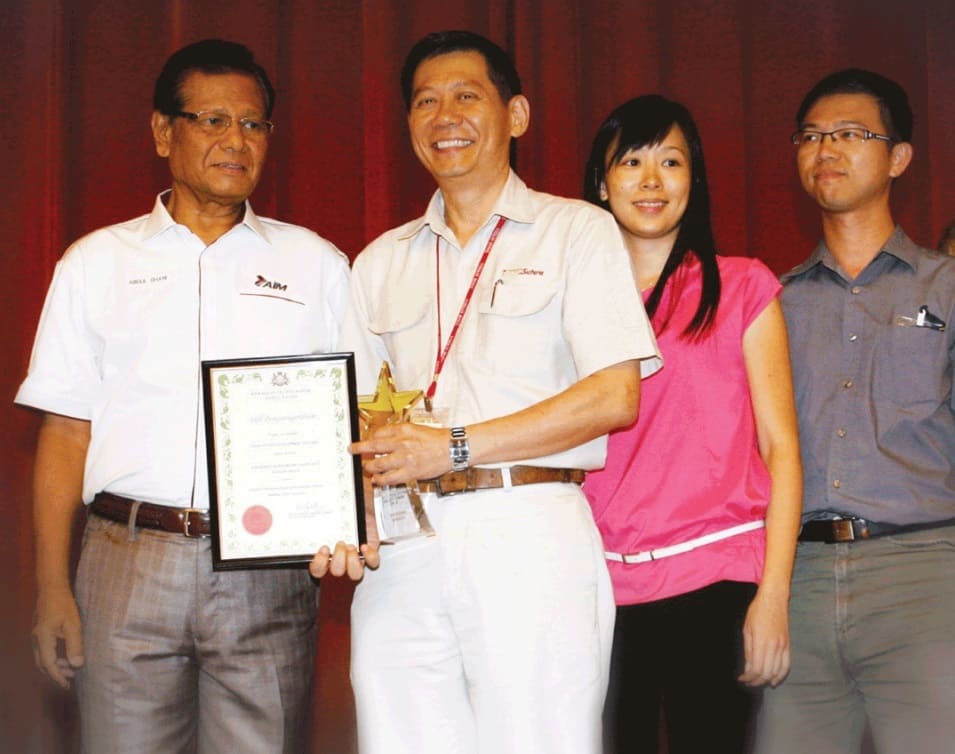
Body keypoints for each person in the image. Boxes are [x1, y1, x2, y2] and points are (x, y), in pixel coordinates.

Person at [310, 30, 662, 754]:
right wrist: (337, 516)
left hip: (529, 529)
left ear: (517, 115)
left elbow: (613, 396)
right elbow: (345, 419)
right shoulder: (379, 263)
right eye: (425, 102)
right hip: (404, 547)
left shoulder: (577, 232)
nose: (445, 116)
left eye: (466, 96)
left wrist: (456, 445)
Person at [15, 39, 352, 752]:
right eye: (214, 119)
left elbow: (350, 421)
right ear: (164, 131)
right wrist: (51, 588)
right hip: (125, 558)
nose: (237, 140)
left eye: (255, 124)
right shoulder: (96, 263)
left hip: (268, 571)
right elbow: (65, 434)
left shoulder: (317, 265)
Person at [582, 95, 802, 753]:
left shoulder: (741, 287)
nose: (651, 181)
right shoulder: (569, 299)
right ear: (601, 182)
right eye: (632, 162)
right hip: (596, 585)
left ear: (694, 179)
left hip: (714, 578)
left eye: (670, 161)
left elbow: (781, 447)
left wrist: (772, 597)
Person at [755, 69, 955, 754]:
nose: (825, 149)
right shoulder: (768, 303)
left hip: (924, 572)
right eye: (810, 136)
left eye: (849, 134)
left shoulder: (946, 287)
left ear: (898, 157)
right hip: (794, 581)